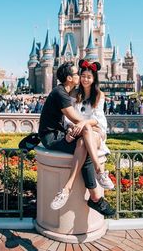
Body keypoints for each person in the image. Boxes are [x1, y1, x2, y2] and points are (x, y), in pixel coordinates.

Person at [38, 61, 115, 216]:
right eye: (81, 75)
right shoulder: (72, 94)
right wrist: (75, 127)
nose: (84, 79)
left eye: (88, 77)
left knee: (87, 135)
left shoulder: (99, 95)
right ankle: (96, 182)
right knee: (83, 143)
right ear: (72, 78)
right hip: (80, 132)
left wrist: (84, 123)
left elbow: (98, 120)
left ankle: (68, 189)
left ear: (94, 79)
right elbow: (69, 119)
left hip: (96, 131)